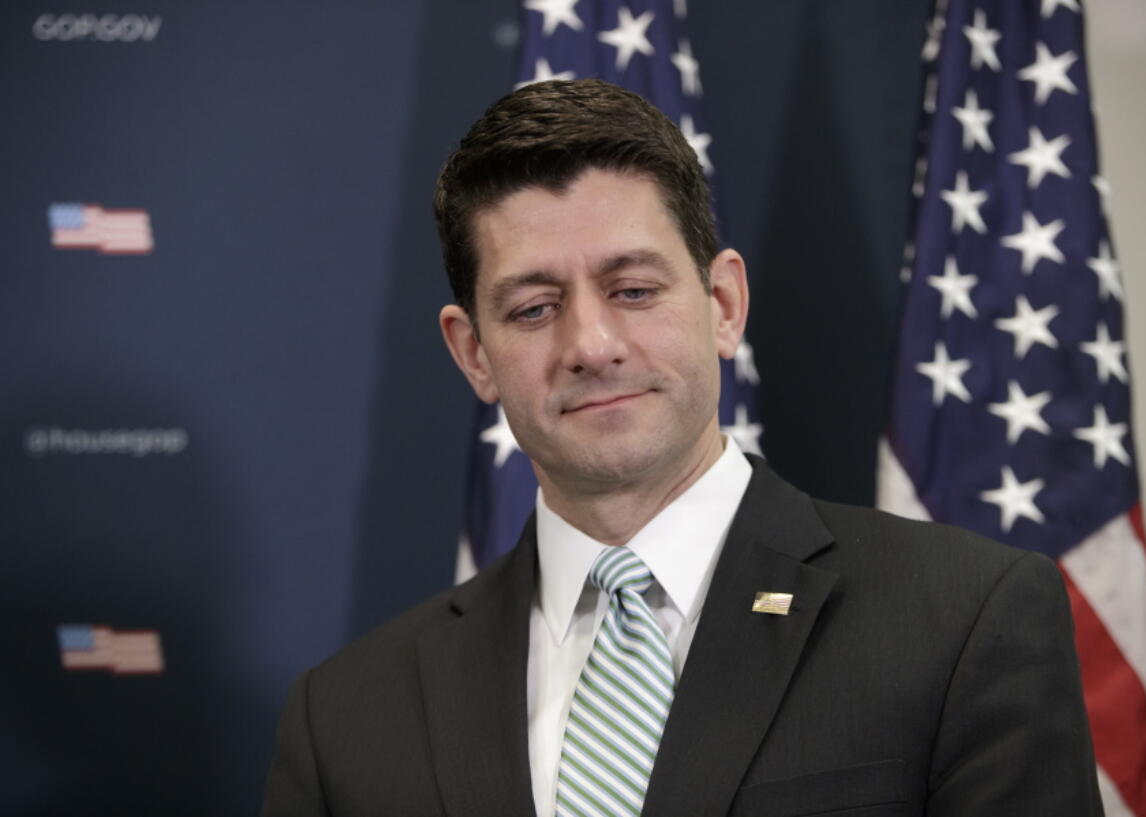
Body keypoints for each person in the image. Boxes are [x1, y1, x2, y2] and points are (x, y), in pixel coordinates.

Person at [261, 79, 1103, 817]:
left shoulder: (965, 619)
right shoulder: (343, 718)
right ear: (473, 353)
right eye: (531, 308)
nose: (591, 343)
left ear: (725, 302)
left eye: (633, 289)